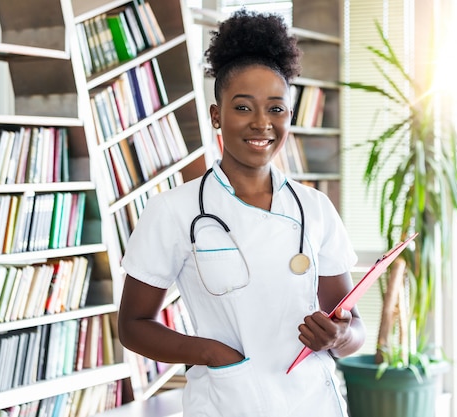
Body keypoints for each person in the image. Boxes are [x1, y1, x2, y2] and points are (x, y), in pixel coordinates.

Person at [118, 8, 365, 417]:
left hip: (311, 403)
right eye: (243, 108)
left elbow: (353, 325)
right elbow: (133, 325)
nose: (262, 124)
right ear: (217, 116)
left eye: (276, 109)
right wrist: (211, 353)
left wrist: (338, 337)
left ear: (289, 115)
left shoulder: (315, 208)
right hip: (226, 403)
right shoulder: (174, 211)